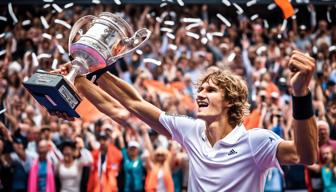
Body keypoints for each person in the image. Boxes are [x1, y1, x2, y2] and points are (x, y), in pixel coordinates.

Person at [55, 50, 317, 191]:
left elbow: (305, 155)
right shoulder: (191, 131)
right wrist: (91, 70)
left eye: (211, 90)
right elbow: (135, 103)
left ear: (230, 102)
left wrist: (300, 94)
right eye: (200, 90)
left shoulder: (255, 141)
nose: (200, 94)